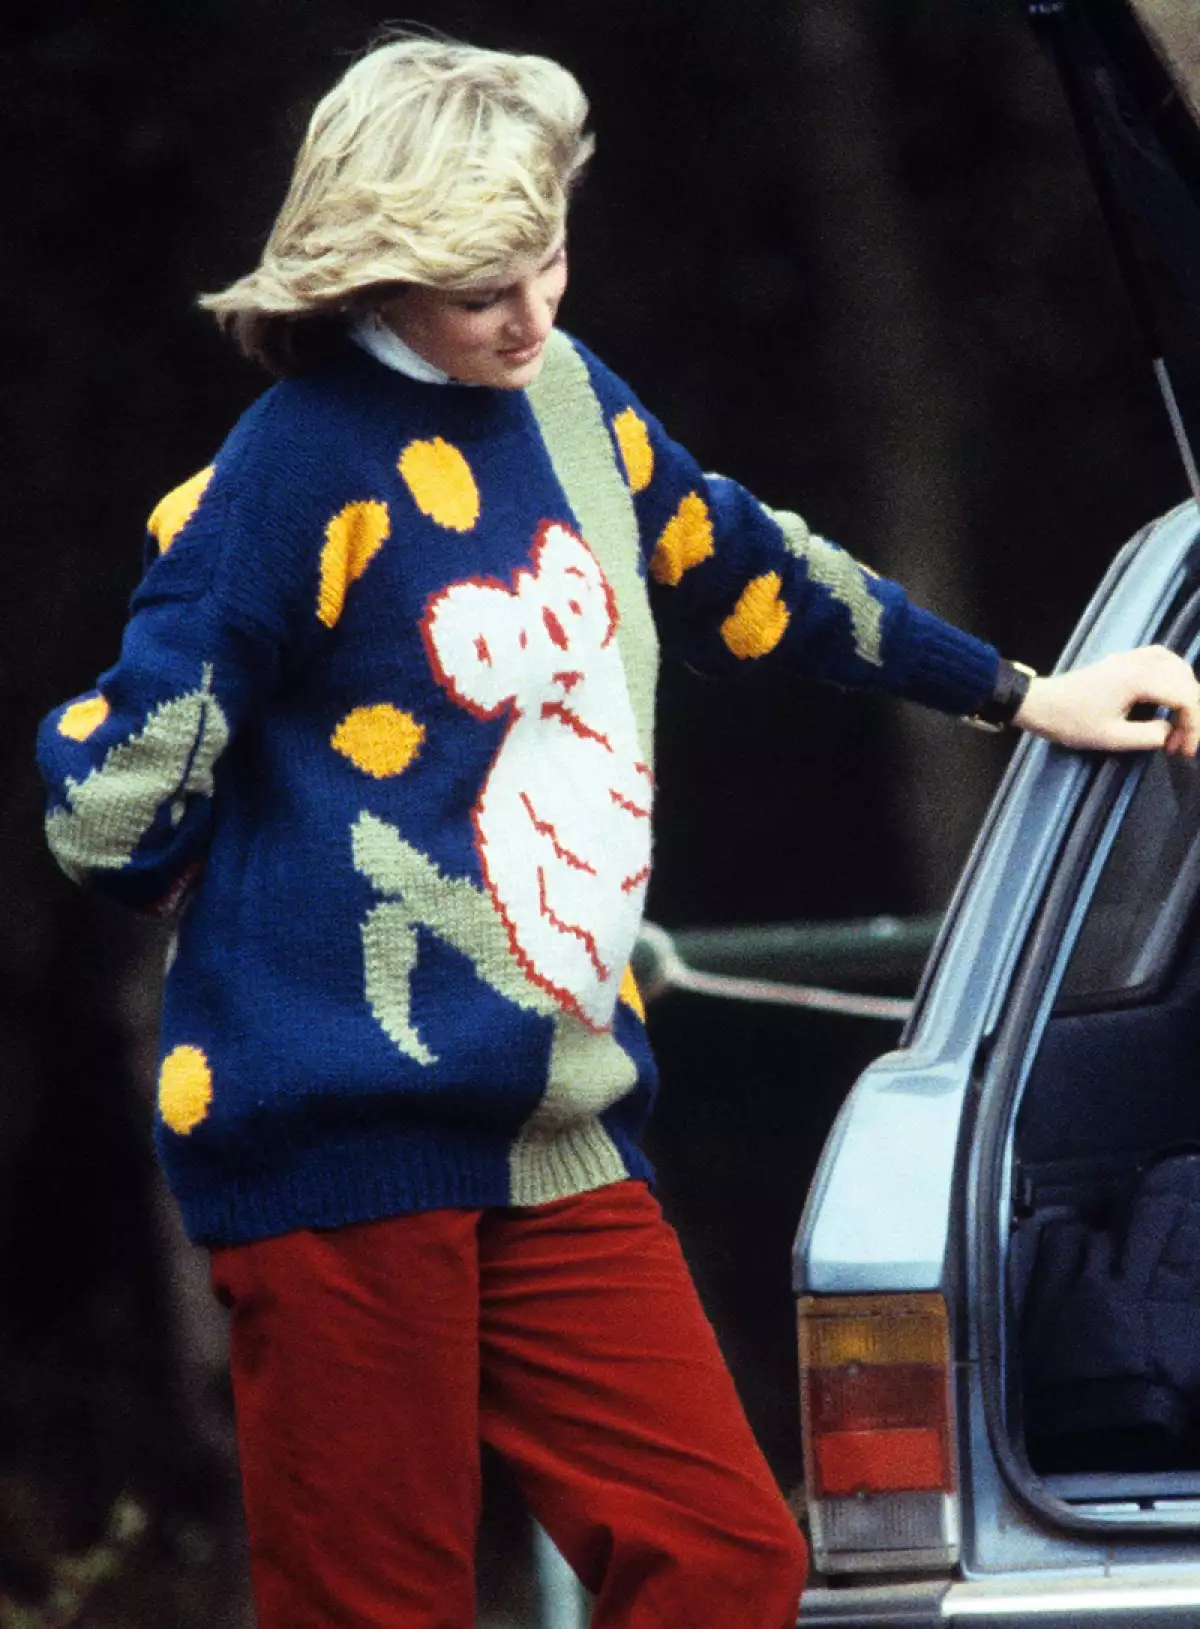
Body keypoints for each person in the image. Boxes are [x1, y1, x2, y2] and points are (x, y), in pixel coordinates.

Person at [34, 32, 1200, 1629]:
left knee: (724, 1560)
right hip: (334, 1146)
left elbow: (753, 571)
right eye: (481, 291)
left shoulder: (573, 402)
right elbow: (109, 805)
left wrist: (1020, 693)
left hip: (557, 1130)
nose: (531, 315)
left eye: (550, 260)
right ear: (372, 275)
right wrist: (216, 872)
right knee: (381, 1610)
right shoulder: (287, 472)